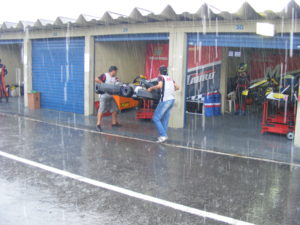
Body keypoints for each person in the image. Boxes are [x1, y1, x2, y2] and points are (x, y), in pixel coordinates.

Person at [147, 65, 179, 143]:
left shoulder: (161, 77)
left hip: (165, 100)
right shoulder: (170, 78)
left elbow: (160, 86)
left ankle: (163, 135)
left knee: (156, 118)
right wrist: (170, 88)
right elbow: (177, 87)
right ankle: (163, 136)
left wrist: (151, 88)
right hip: (172, 100)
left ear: (160, 72)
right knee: (165, 119)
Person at [95, 66, 121, 131]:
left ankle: (114, 123)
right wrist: (103, 85)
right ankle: (98, 125)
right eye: (115, 71)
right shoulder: (105, 75)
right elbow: (96, 79)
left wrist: (118, 81)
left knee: (115, 109)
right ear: (113, 71)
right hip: (103, 96)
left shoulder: (115, 78)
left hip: (110, 96)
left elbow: (117, 85)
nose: (116, 73)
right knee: (101, 110)